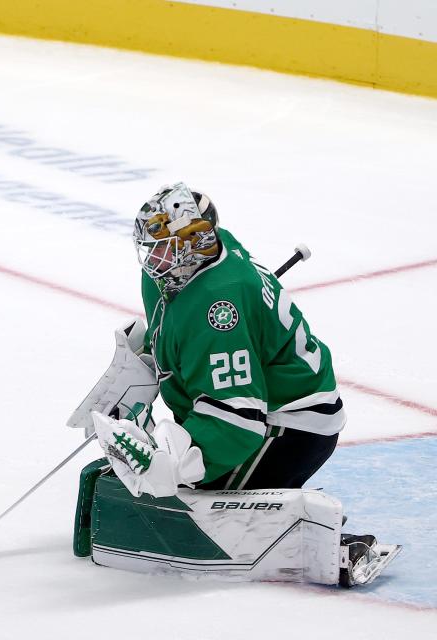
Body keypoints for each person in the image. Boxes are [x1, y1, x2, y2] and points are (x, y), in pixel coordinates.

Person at [72, 182, 398, 586]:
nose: (153, 258)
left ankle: (328, 545)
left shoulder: (218, 307)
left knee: (180, 489)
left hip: (290, 427)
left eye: (164, 246)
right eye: (150, 245)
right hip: (259, 407)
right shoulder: (179, 272)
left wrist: (178, 463)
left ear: (196, 243)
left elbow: (238, 421)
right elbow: (183, 343)